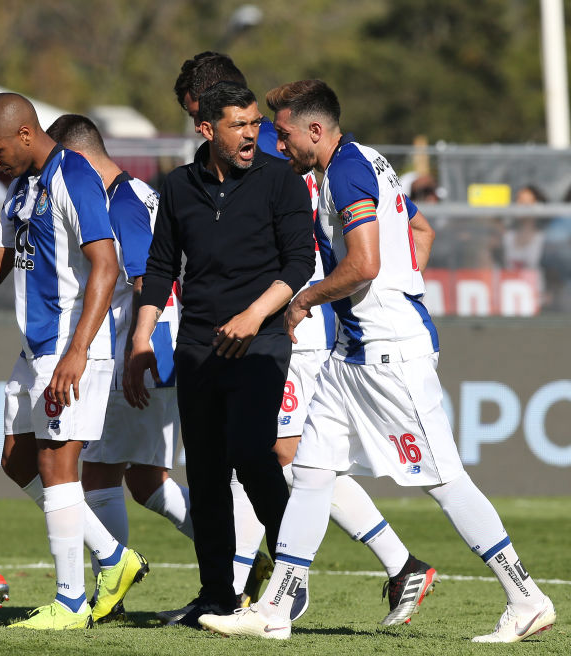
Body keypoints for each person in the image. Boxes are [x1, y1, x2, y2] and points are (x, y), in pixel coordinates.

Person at [199, 79, 556, 644]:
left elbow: (364, 264)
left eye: (285, 134)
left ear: (315, 130)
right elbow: (419, 229)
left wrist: (309, 298)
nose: (279, 144)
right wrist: (405, 284)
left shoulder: (343, 172)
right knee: (312, 471)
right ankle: (275, 608)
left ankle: (525, 597)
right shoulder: (368, 161)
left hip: (390, 356)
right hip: (352, 355)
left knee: (444, 480)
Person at [171, 52, 435, 626]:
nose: (199, 125)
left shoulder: (269, 152)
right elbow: (416, 225)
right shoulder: (268, 149)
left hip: (296, 319)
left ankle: (372, 568)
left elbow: (405, 228)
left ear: (207, 103)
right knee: (289, 457)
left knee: (287, 455)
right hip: (292, 317)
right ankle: (240, 585)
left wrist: (383, 298)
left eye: (195, 111)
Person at [0, 93, 147, 630]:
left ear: (26, 135)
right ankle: (114, 557)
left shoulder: (72, 176)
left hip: (71, 348)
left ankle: (71, 602)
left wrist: (76, 351)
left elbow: (106, 266)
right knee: (15, 459)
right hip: (35, 349)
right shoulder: (21, 188)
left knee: (57, 466)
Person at [124, 81, 314, 627]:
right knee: (205, 471)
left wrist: (256, 317)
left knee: (253, 453)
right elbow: (161, 267)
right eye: (239, 124)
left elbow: (299, 263)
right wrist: (142, 339)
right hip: (197, 346)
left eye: (255, 122)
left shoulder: (281, 180)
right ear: (207, 129)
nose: (252, 133)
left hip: (263, 342)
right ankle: (215, 596)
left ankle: (289, 578)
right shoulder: (179, 185)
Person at [44, 114, 190, 612]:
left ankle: (114, 587)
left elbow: (149, 277)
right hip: (154, 346)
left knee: (100, 472)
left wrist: (136, 349)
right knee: (143, 478)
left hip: (142, 348)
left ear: (77, 156)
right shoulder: (140, 193)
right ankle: (236, 558)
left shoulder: (122, 200)